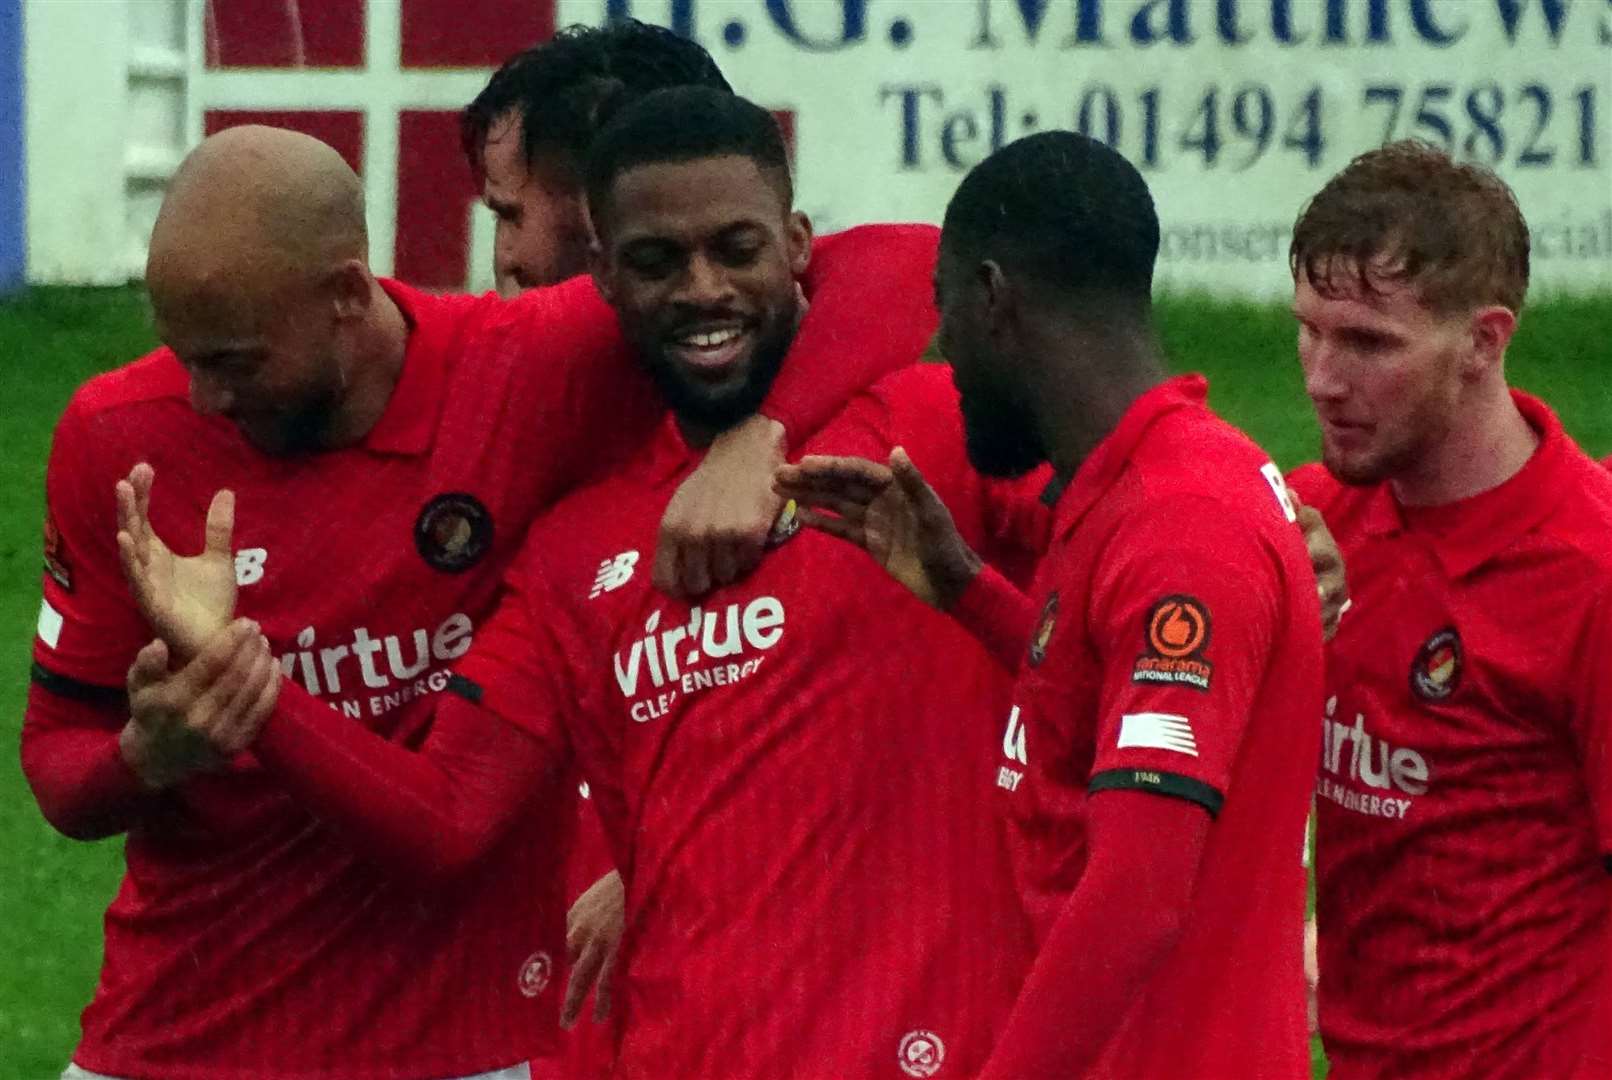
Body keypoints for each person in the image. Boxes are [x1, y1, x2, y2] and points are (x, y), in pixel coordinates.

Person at [115, 88, 1049, 1080]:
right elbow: (447, 815)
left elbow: (1132, 657)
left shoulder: (935, 430)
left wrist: (963, 591)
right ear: (600, 274)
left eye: (735, 250)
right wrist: (237, 684)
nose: (703, 289)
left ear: (798, 243)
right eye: (655, 262)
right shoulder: (574, 546)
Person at [779, 130, 1323, 1078]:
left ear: (994, 300)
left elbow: (1138, 893)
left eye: (947, 321)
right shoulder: (1132, 491)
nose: (948, 363)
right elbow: (1097, 710)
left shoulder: (1179, 525)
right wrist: (970, 595)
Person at [1285, 140, 1612, 1079]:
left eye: (1368, 343)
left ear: (1484, 340)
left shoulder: (1588, 577)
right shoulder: (1318, 521)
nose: (1321, 376)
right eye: (1309, 328)